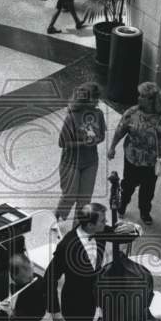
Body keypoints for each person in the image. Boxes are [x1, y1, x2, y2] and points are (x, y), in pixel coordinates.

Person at [45, 202, 135, 321]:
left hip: (92, 298)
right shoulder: (67, 245)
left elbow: (123, 235)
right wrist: (55, 311)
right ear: (90, 225)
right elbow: (49, 278)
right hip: (74, 303)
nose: (106, 223)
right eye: (103, 220)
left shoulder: (99, 231)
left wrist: (135, 229)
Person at [107, 82, 161, 226]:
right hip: (132, 158)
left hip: (152, 161)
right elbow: (120, 130)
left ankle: (144, 212)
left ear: (151, 99)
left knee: (148, 189)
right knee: (128, 185)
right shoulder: (132, 112)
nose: (139, 98)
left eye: (143, 96)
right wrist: (112, 147)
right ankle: (122, 205)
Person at [55, 81, 106, 225]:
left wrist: (96, 140)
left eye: (98, 98)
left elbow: (102, 135)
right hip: (71, 163)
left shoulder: (98, 114)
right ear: (85, 98)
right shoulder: (72, 117)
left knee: (84, 200)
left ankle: (77, 231)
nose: (97, 101)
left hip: (90, 162)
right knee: (69, 196)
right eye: (94, 98)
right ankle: (56, 217)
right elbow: (62, 143)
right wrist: (82, 143)